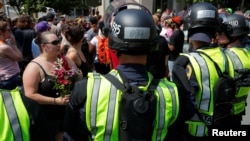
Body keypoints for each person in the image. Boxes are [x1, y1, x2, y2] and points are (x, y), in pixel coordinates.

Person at [64, 2, 189, 141]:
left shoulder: (86, 89)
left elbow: (71, 136)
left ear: (113, 46)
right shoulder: (173, 93)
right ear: (153, 46)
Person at [172, 2, 225, 140]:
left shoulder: (185, 62)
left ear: (189, 30)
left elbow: (183, 102)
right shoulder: (228, 56)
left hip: (194, 130)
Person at [22, 31, 80, 141]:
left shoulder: (65, 60)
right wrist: (55, 101)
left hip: (69, 114)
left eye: (59, 41)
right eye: (54, 42)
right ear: (44, 46)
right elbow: (29, 94)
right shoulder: (33, 67)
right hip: (48, 118)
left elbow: (78, 76)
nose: (59, 44)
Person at [216, 13, 250, 125]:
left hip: (221, 115)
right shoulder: (247, 54)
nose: (217, 35)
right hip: (238, 111)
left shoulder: (222, 56)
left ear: (234, 35)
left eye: (221, 32)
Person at [0, 21, 23, 90]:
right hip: (11, 77)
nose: (11, 32)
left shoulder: (4, 43)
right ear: (1, 32)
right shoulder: (4, 47)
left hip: (4, 77)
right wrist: (14, 45)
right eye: (9, 30)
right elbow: (20, 58)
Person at [168, 16, 184, 81]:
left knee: (172, 76)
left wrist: (165, 44)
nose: (170, 24)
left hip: (172, 58)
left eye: (172, 22)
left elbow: (171, 48)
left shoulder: (174, 35)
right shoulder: (181, 33)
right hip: (179, 57)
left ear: (175, 24)